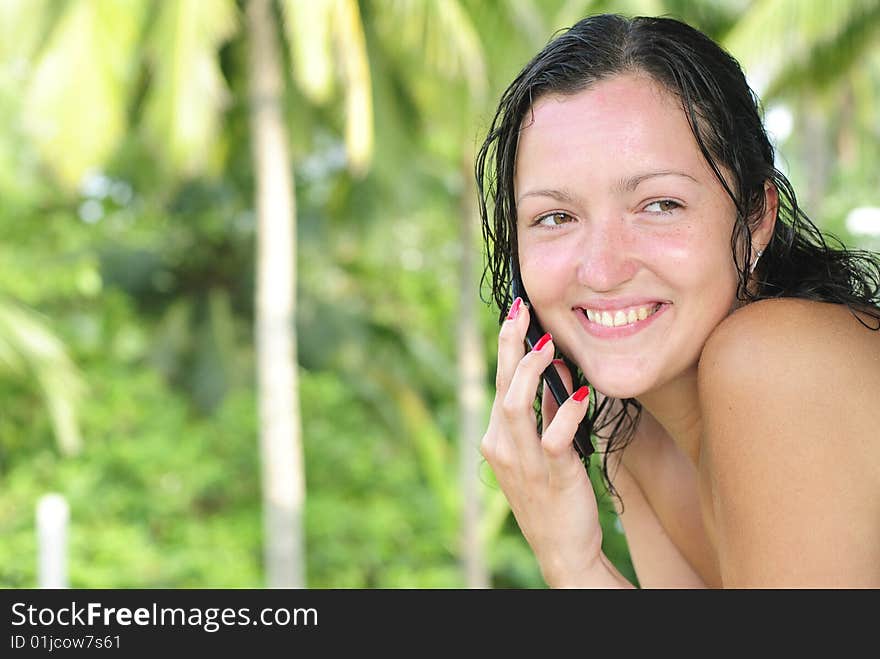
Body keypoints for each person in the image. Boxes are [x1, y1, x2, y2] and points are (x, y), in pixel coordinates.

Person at [475, 13, 880, 588]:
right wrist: (572, 559)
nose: (603, 268)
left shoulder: (775, 361)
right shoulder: (630, 426)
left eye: (659, 205)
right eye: (556, 217)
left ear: (756, 219)